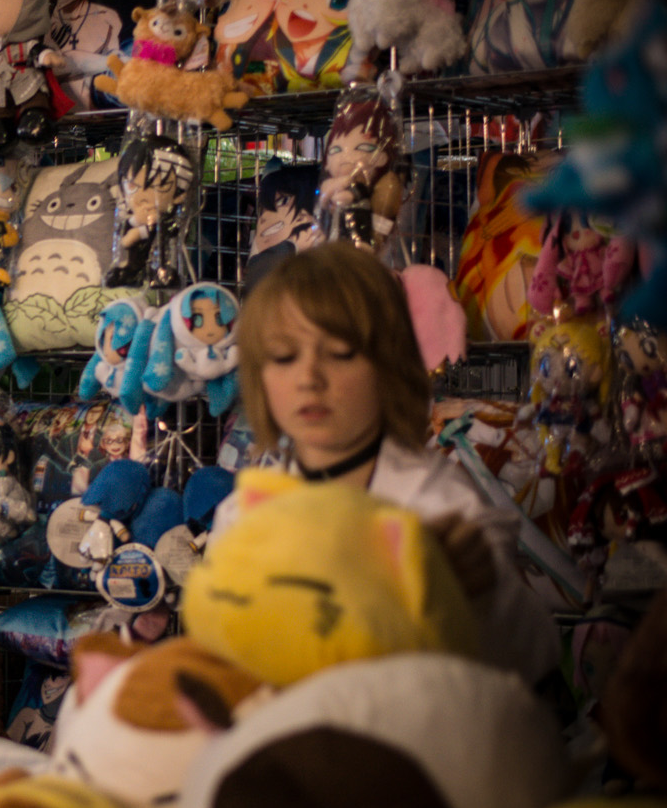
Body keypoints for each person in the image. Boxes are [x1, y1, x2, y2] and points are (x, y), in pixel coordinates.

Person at [232, 242, 561, 684]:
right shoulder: (242, 514)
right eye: (284, 356)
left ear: (389, 363)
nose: (308, 378)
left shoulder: (445, 507)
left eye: (339, 352)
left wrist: (480, 591)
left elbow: (532, 653)